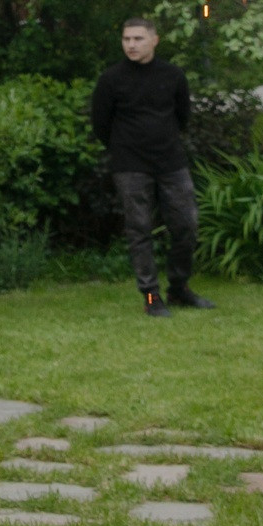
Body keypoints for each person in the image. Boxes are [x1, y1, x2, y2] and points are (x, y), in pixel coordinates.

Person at [87, 18, 210, 315]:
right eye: (127, 39)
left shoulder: (173, 76)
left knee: (186, 226)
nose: (131, 45)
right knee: (139, 230)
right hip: (130, 165)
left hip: (171, 162)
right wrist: (123, 149)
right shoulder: (111, 79)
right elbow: (100, 123)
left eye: (138, 39)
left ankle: (179, 288)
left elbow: (183, 116)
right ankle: (152, 297)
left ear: (154, 40)